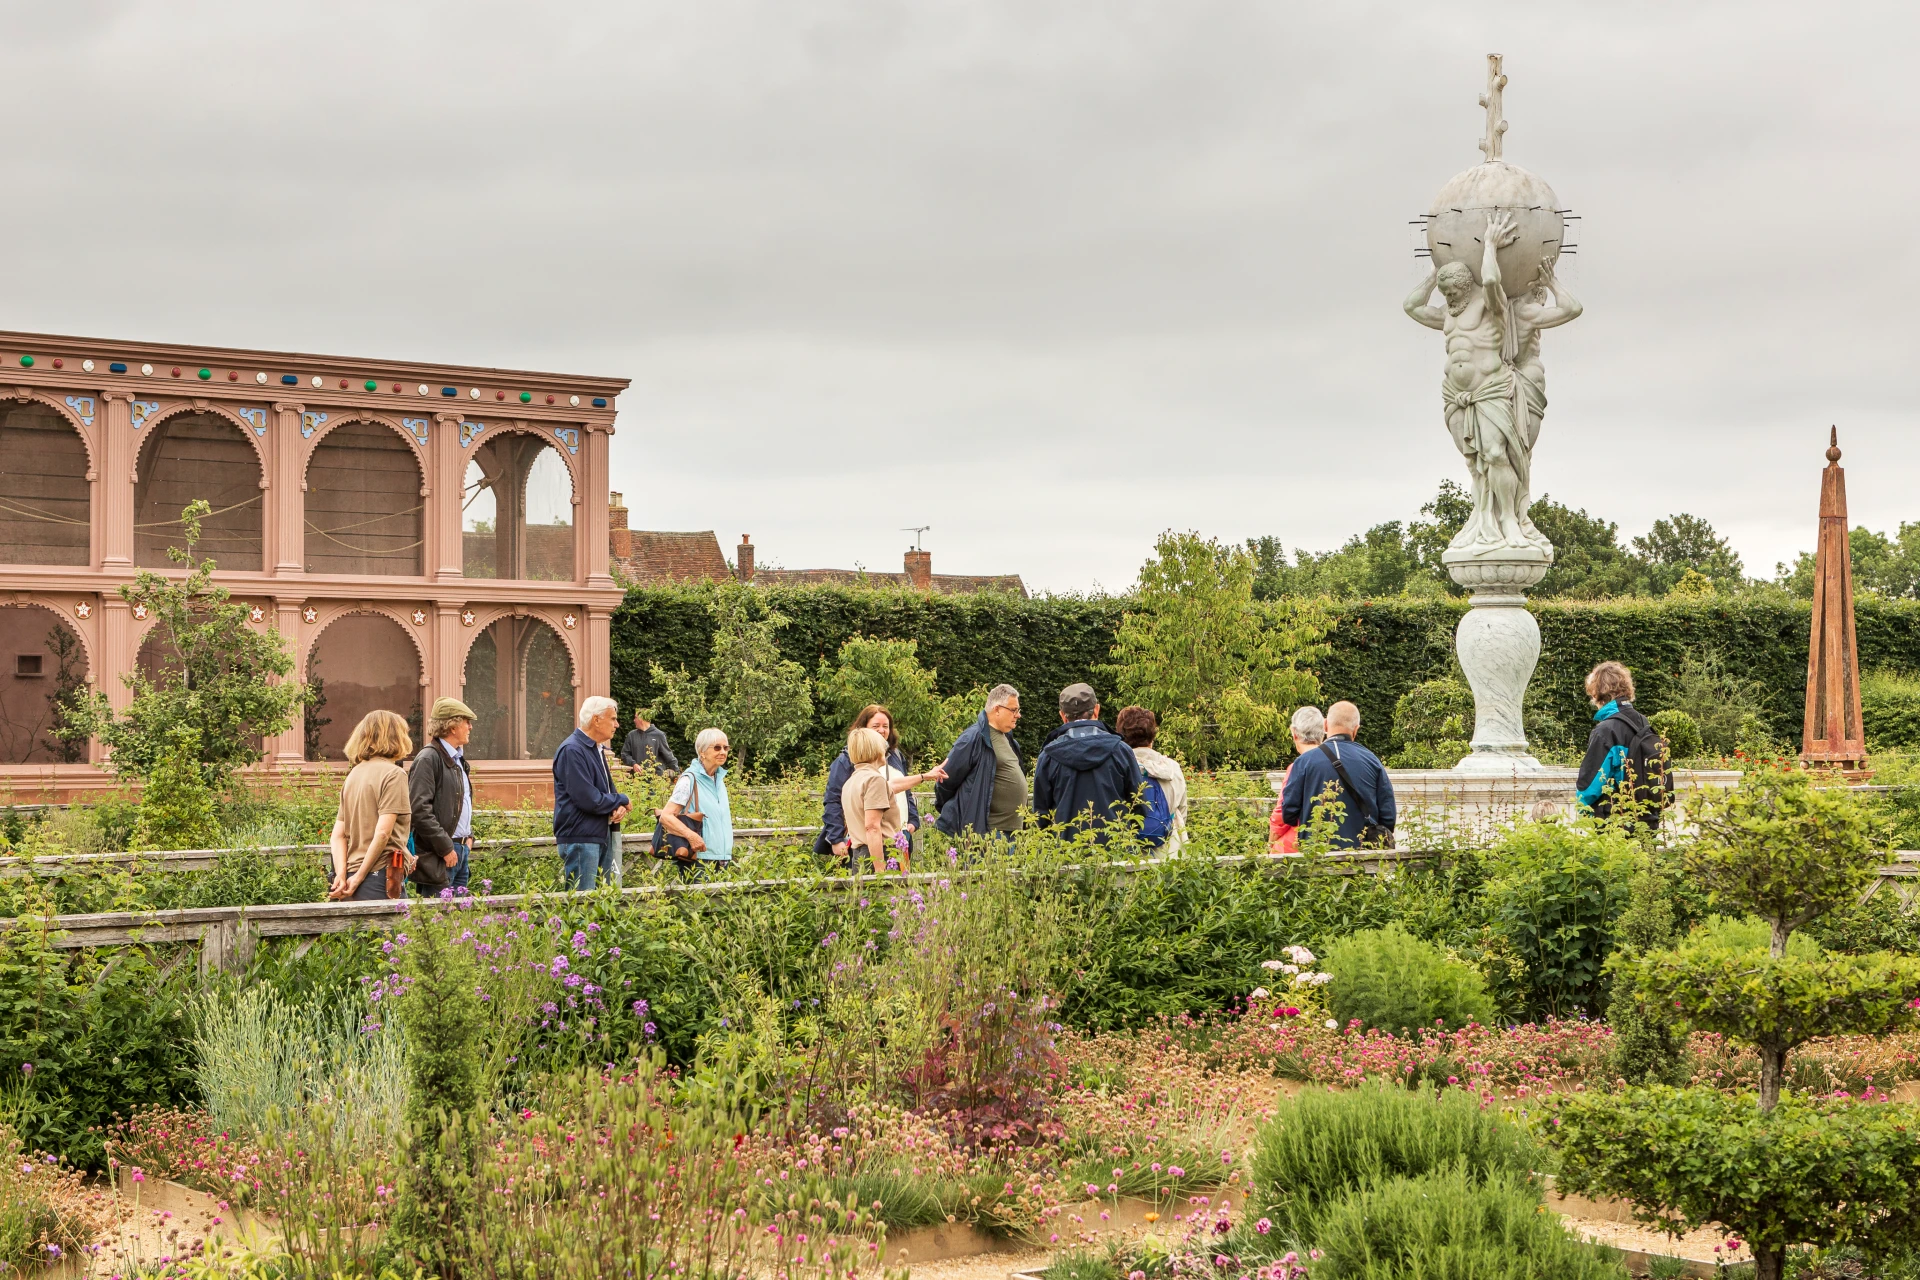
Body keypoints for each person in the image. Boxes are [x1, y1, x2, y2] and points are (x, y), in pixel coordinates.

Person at [816, 704, 943, 864]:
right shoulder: (848, 760)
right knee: (879, 884)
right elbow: (834, 800)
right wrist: (835, 838)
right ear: (863, 730)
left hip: (898, 836)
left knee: (900, 886)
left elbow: (898, 789)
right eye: (875, 726)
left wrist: (913, 820)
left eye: (886, 726)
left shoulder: (896, 756)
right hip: (871, 843)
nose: (882, 730)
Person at [1031, 683, 1143, 844]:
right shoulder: (1121, 750)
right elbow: (1139, 804)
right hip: (1116, 852)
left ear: (1063, 716)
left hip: (1066, 853)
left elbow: (1041, 815)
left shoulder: (1049, 756)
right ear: (1096, 710)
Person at [1280, 701, 1396, 850]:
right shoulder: (1372, 760)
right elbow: (1388, 817)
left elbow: (1288, 813)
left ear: (1326, 725)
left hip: (1317, 855)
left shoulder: (1304, 762)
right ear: (1356, 729)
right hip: (1363, 859)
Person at [328, 710, 415, 901]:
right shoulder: (394, 775)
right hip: (381, 876)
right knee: (389, 931)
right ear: (397, 737)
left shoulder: (354, 774)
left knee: (357, 931)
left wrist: (342, 876)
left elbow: (338, 835)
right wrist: (359, 878)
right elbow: (382, 833)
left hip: (351, 877)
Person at [553, 695, 632, 891]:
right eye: (612, 718)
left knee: (602, 904)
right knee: (582, 907)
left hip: (596, 834)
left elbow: (606, 790)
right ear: (596, 720)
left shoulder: (595, 748)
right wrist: (621, 799)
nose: (617, 724)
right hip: (581, 838)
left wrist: (618, 806)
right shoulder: (572, 750)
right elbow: (589, 799)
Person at [1576, 661, 1667, 825]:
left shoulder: (1606, 730)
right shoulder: (1643, 722)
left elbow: (1589, 786)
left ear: (1598, 693)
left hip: (1616, 822)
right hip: (1647, 817)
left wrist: (1582, 813)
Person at [933, 685, 1028, 840]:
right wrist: (958, 810)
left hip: (1012, 833)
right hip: (987, 833)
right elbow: (946, 779)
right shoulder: (973, 738)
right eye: (1014, 710)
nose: (1018, 715)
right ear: (997, 709)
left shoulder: (1009, 739)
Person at [409, 696, 476, 894]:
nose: (470, 727)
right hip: (439, 856)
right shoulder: (428, 758)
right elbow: (419, 810)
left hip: (459, 851)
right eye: (466, 722)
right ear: (453, 726)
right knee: (436, 921)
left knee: (458, 922)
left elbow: (460, 804)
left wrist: (469, 836)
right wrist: (446, 847)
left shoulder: (457, 759)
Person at [658, 728, 736, 873]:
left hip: (722, 859)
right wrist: (691, 836)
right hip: (698, 859)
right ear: (702, 752)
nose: (723, 752)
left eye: (726, 748)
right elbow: (666, 816)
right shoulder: (689, 780)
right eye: (717, 748)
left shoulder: (719, 779)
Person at [841, 726, 914, 875]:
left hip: (858, 855)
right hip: (880, 853)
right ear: (875, 750)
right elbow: (872, 827)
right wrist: (880, 870)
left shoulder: (851, 781)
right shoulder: (874, 780)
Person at [1115, 706, 1188, 854]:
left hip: (1127, 855)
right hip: (1169, 854)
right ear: (1152, 736)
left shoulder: (1116, 768)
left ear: (1121, 735)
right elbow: (1183, 812)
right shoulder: (1173, 768)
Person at [1268, 706, 1324, 855]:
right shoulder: (1334, 762)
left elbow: (1282, 813)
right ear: (1323, 732)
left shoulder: (1298, 766)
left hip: (1298, 843)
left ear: (1294, 734)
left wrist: (1271, 844)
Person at [619, 708, 679, 776]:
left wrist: (677, 774)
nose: (634, 720)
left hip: (656, 779)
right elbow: (625, 754)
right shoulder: (631, 735)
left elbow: (668, 756)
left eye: (635, 717)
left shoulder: (659, 735)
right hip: (637, 779)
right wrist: (634, 764)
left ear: (641, 718)